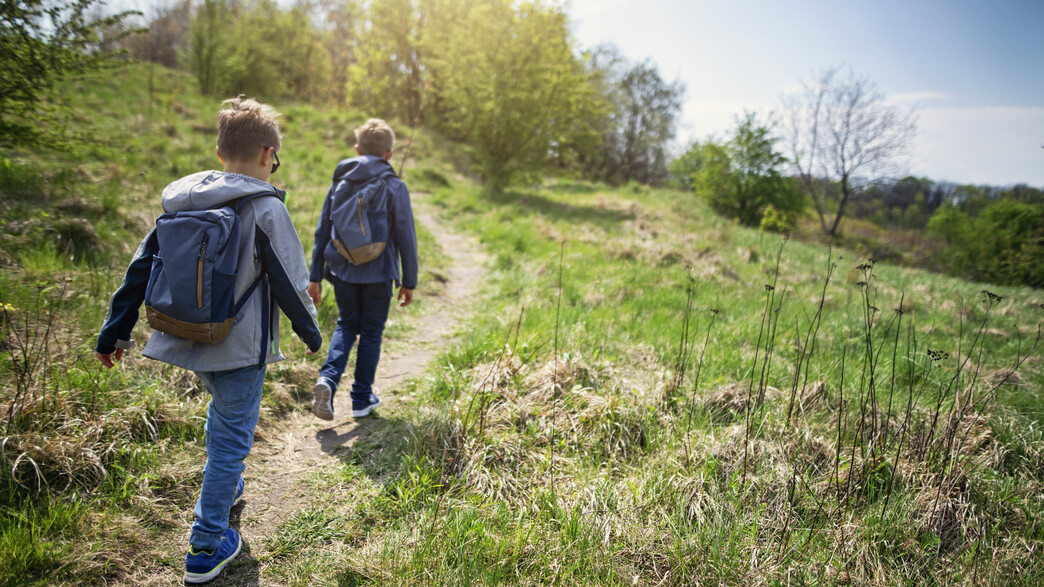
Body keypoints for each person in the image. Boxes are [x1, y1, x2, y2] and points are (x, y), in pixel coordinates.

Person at [93, 97, 322, 584]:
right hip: (239, 348)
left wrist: (114, 331)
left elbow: (140, 268)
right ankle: (206, 543)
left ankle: (225, 489)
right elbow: (290, 281)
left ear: (220, 154)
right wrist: (311, 332)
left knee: (222, 418)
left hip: (187, 337)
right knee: (231, 443)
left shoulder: (182, 201)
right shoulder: (265, 207)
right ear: (268, 154)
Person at [308, 118, 419, 420]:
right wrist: (409, 281)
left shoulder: (340, 181)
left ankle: (327, 380)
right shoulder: (395, 186)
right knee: (371, 331)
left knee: (346, 324)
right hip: (379, 272)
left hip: (342, 269)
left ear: (357, 150)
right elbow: (406, 236)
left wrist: (314, 276)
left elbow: (322, 230)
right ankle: (360, 398)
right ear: (389, 154)